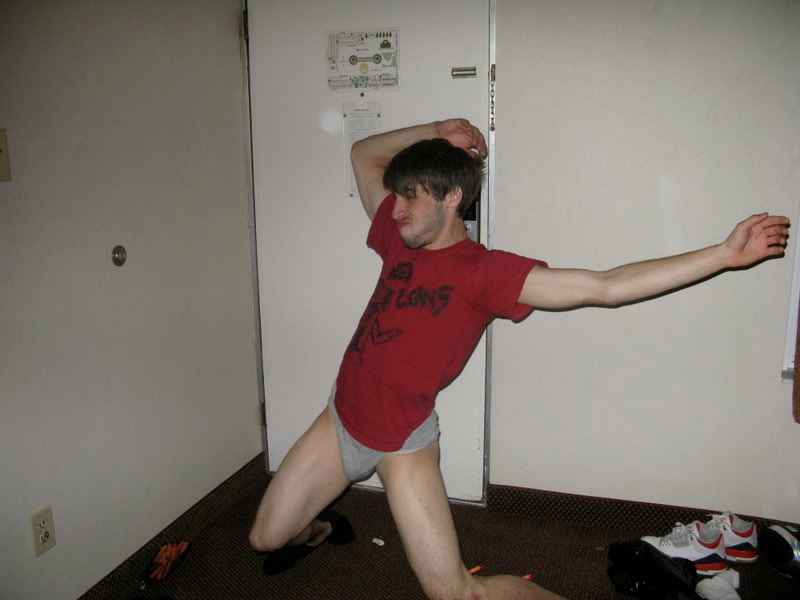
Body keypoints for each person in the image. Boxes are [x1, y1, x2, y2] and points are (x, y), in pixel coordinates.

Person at [249, 118, 789, 600]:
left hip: (402, 442)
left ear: (452, 197)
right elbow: (362, 152)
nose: (396, 208)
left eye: (410, 196)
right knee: (265, 538)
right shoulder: (398, 236)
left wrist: (723, 255)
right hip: (341, 417)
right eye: (396, 196)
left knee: (454, 594)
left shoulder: (486, 272)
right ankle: (320, 529)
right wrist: (435, 130)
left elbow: (605, 286)